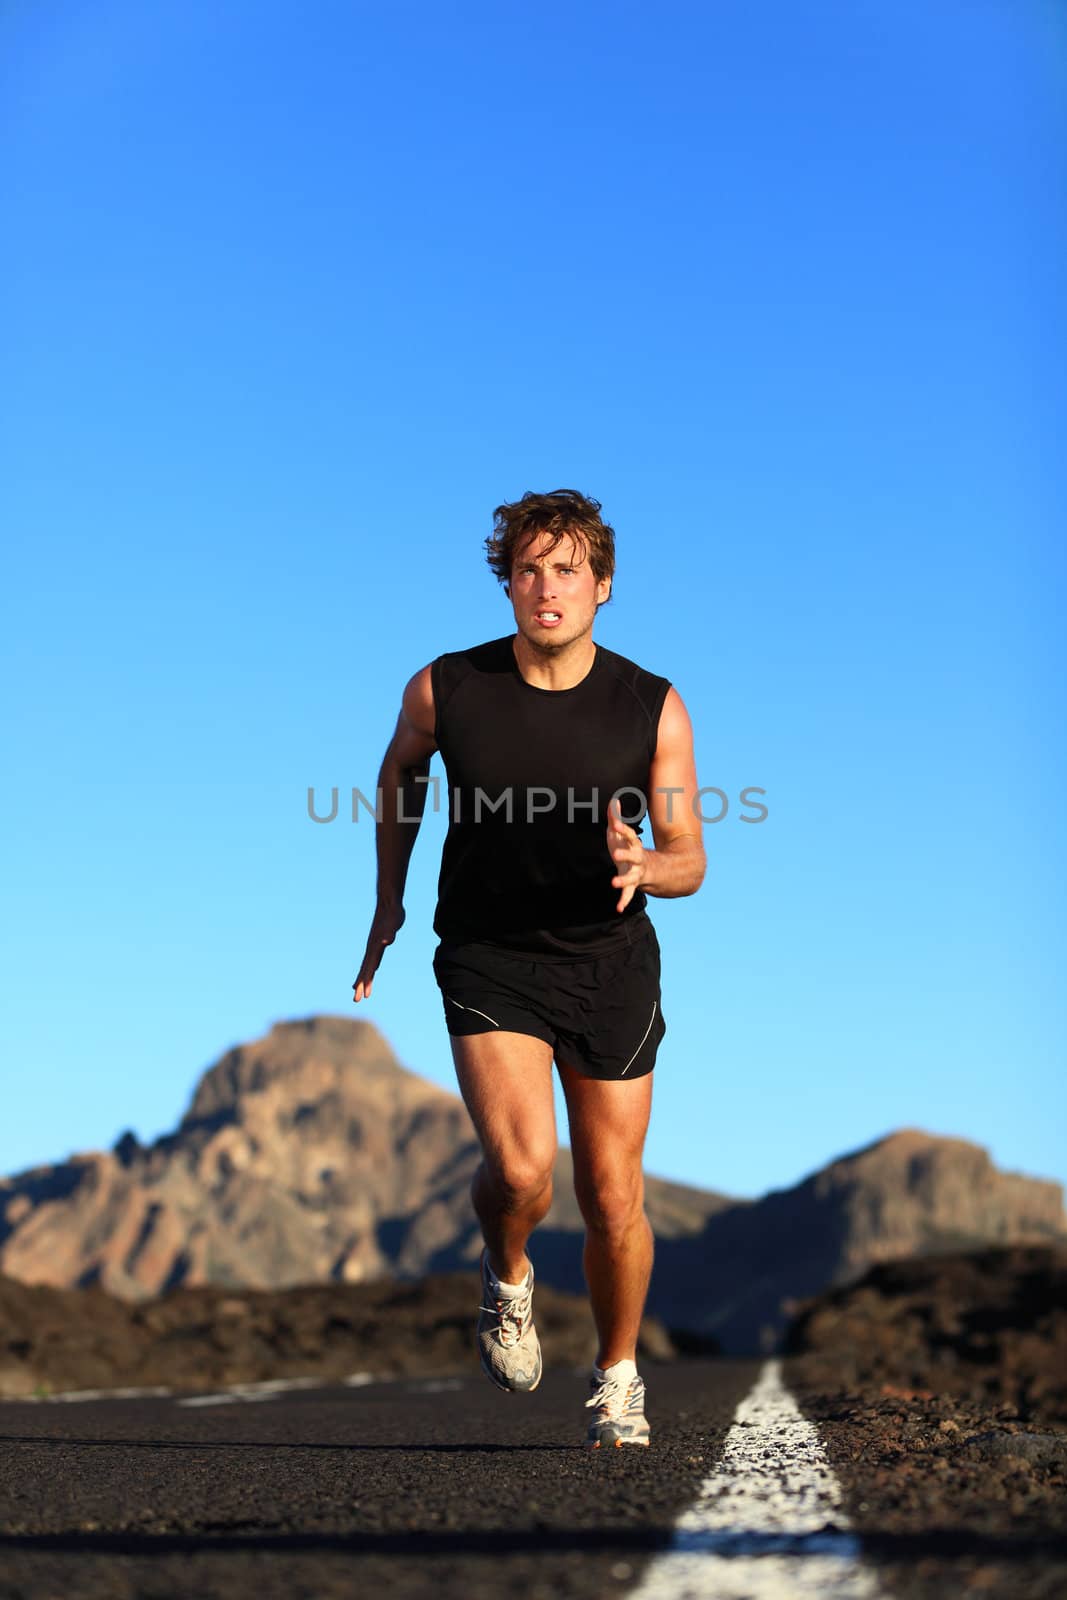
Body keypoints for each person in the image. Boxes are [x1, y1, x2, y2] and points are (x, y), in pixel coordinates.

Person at [353, 489, 705, 1447]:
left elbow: (689, 855)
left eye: (566, 570)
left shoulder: (650, 704)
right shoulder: (445, 687)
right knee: (516, 1171)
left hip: (609, 966)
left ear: (601, 586)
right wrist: (388, 899)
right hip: (489, 955)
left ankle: (618, 1375)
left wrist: (647, 866)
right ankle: (507, 1276)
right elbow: (399, 778)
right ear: (505, 580)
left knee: (611, 1193)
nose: (546, 588)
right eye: (527, 568)